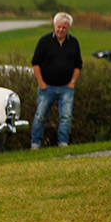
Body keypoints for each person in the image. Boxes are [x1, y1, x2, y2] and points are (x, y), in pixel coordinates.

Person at [30, 12, 83, 149]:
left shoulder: (74, 43)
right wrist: (40, 82)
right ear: (54, 26)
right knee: (40, 116)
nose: (61, 30)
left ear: (68, 28)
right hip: (46, 87)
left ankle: (63, 143)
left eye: (64, 28)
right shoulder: (44, 41)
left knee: (66, 117)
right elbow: (35, 63)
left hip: (66, 88)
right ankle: (35, 143)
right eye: (59, 27)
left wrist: (72, 82)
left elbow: (78, 64)